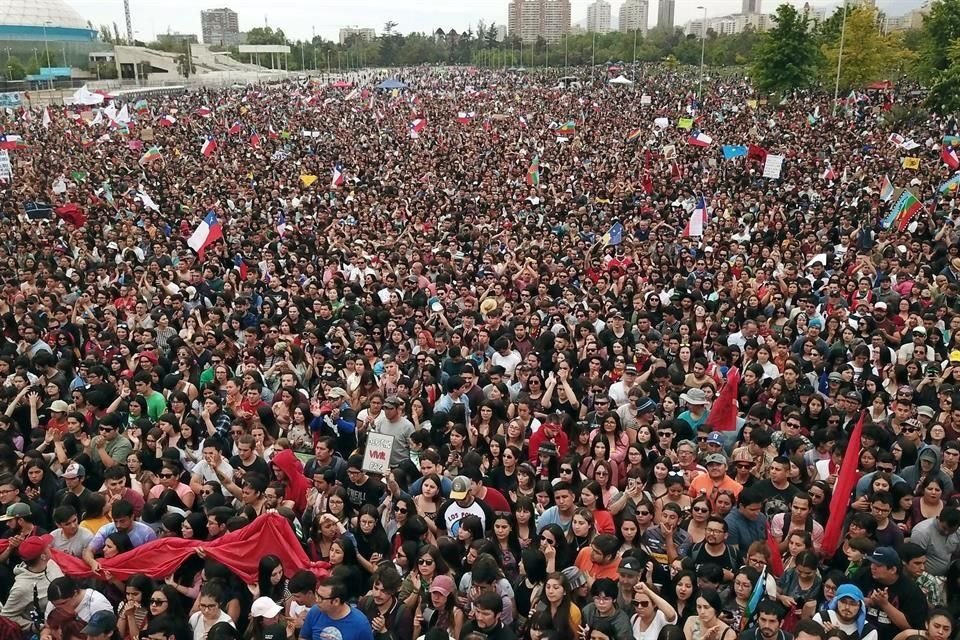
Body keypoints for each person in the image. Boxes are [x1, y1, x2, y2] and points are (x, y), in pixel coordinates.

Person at [853, 547, 928, 640]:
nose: (873, 567)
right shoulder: (864, 575)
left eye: (878, 565)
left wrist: (885, 605)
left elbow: (912, 628)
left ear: (893, 570)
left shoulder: (912, 591)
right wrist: (867, 601)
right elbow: (844, 598)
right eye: (872, 563)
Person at [0, 534, 64, 630]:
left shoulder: (51, 564)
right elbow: (6, 615)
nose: (50, 546)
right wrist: (37, 627)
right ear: (43, 556)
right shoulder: (22, 588)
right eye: (47, 546)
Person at [300, 578, 373, 640]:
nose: (317, 600)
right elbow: (304, 637)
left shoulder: (360, 624)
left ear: (336, 601)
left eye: (321, 598)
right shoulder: (315, 611)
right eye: (317, 594)